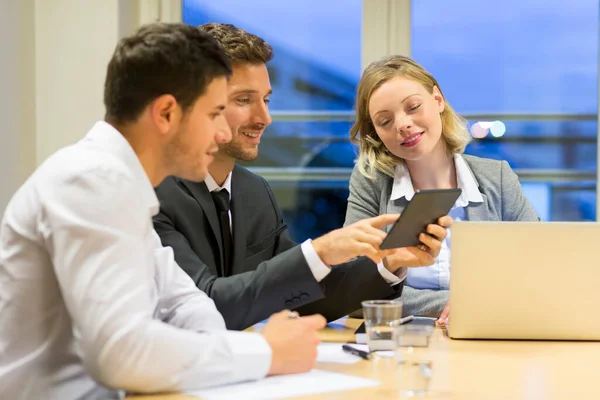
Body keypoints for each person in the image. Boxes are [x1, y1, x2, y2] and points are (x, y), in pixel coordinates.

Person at [0, 23, 332, 399]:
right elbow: (120, 353)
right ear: (166, 114)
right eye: (214, 114)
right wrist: (266, 353)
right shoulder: (92, 181)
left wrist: (235, 353)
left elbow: (184, 301)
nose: (223, 134)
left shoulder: (121, 181)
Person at [154, 23, 453, 331]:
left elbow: (304, 297)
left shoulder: (252, 191)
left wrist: (390, 264)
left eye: (266, 100)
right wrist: (321, 251)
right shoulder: (153, 193)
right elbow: (204, 306)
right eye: (244, 100)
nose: (264, 118)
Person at [344, 55, 539, 325]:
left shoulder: (498, 177)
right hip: (405, 343)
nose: (402, 125)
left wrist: (472, 304)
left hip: (487, 336)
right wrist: (452, 304)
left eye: (412, 106)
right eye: (385, 122)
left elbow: (537, 271)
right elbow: (352, 293)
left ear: (438, 99)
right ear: (376, 132)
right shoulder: (372, 181)